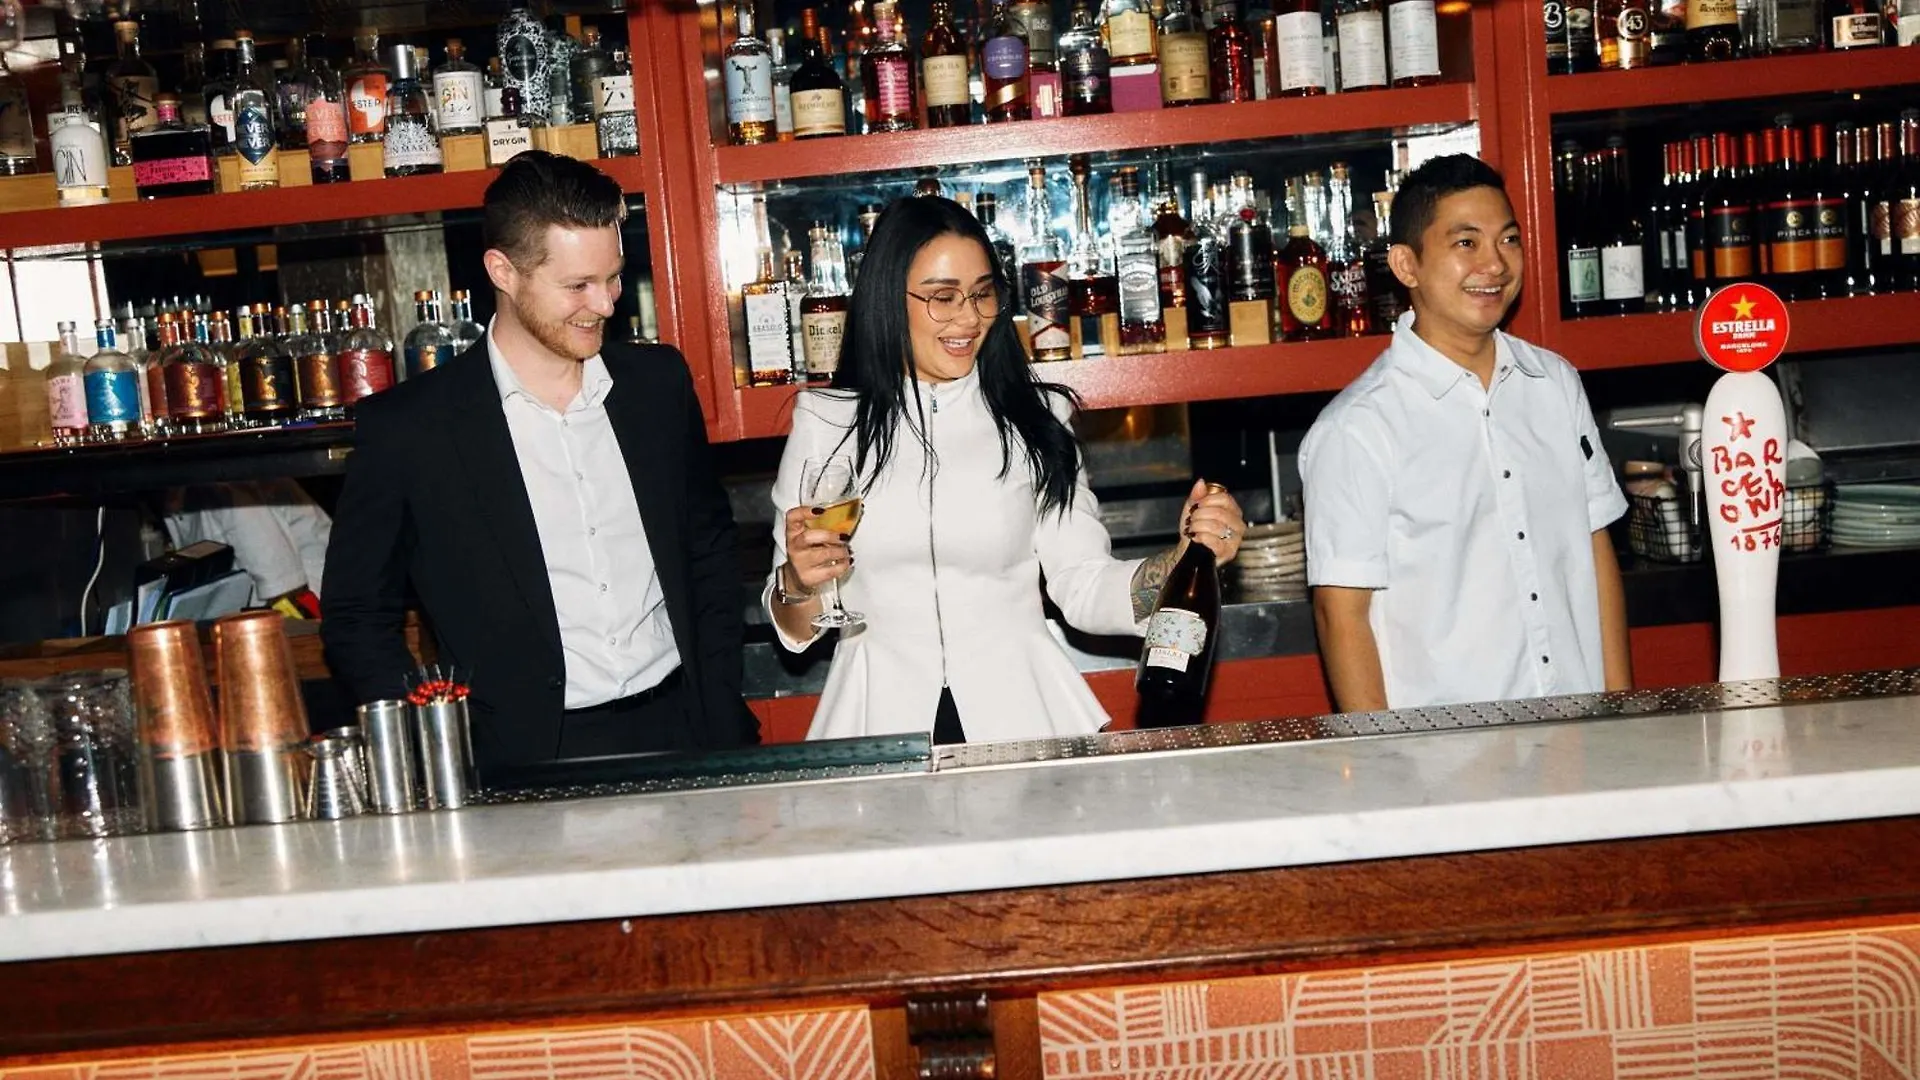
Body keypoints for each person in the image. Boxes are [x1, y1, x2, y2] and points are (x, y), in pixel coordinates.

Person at [322, 151, 759, 775]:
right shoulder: (411, 429)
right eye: (577, 286)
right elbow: (357, 615)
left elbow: (708, 552)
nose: (604, 304)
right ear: (503, 271)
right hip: (519, 757)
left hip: (683, 728)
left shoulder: (657, 385)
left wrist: (718, 700)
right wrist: (439, 741)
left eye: (613, 278)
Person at [766, 195, 1246, 744]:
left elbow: (1083, 584)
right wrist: (797, 582)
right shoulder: (827, 422)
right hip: (876, 725)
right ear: (886, 299)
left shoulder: (1035, 418)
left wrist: (1182, 563)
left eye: (982, 293)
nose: (969, 318)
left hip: (1021, 721)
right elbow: (794, 627)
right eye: (943, 297)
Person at [1300, 154, 1632, 714]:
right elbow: (1341, 614)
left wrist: (1621, 710)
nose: (1495, 264)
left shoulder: (1555, 383)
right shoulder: (1357, 428)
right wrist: (1383, 753)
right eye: (1466, 243)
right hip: (1447, 747)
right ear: (1406, 265)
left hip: (1580, 732)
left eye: (1508, 240)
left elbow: (1596, 548)